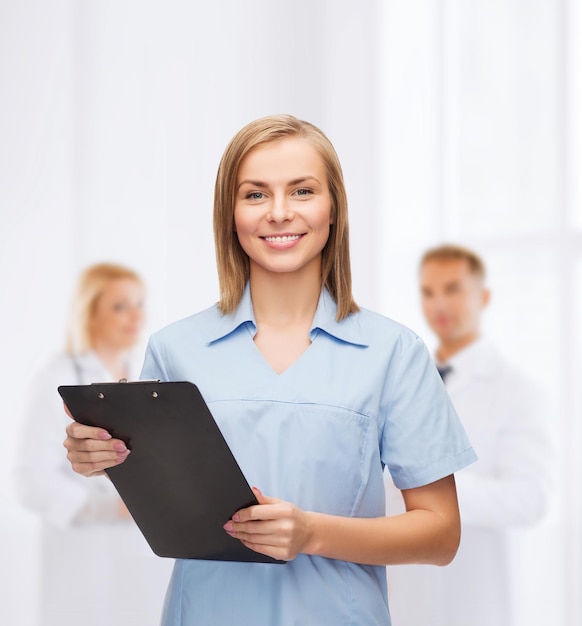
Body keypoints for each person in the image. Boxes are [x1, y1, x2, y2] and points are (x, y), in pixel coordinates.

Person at [62, 115, 477, 625]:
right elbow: (163, 497)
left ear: (333, 210)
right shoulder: (175, 349)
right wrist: (99, 457)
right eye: (255, 195)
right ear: (230, 214)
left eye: (302, 191)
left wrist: (311, 534)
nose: (279, 213)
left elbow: (441, 535)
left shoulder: (394, 353)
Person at [385, 244, 553, 626]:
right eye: (428, 292)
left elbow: (531, 499)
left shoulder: (517, 390)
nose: (439, 303)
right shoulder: (404, 382)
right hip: (404, 599)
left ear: (484, 296)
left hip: (474, 603)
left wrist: (431, 484)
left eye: (453, 289)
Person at [14, 262, 173, 626]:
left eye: (139, 303)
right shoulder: (58, 376)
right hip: (82, 559)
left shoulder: (150, 376)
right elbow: (32, 481)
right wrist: (110, 509)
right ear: (90, 313)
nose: (136, 316)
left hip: (143, 557)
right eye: (120, 306)